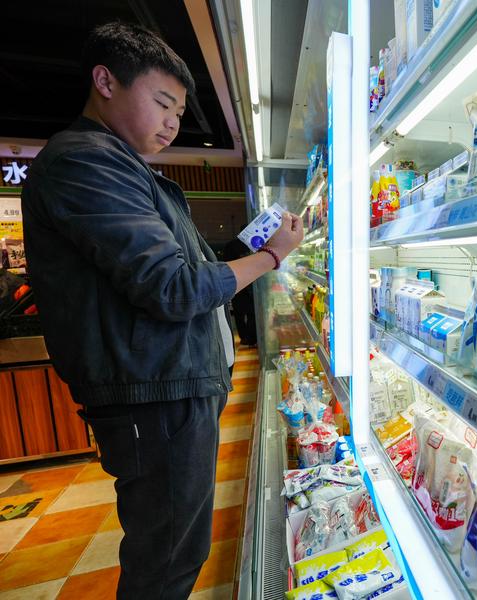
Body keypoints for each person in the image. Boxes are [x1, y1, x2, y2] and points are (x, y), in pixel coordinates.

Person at [21, 22, 302, 599]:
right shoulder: (85, 163)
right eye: (162, 102)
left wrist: (247, 248)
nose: (174, 122)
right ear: (106, 81)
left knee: (175, 549)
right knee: (168, 558)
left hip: (169, 390)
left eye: (180, 109)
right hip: (156, 396)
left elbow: (183, 269)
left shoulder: (121, 165)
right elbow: (173, 288)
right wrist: (271, 258)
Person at [223, 235, 257, 347]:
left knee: (239, 314)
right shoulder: (251, 244)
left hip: (235, 285)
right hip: (248, 285)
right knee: (251, 312)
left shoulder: (230, 245)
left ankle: (244, 337)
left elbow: (226, 264)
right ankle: (251, 337)